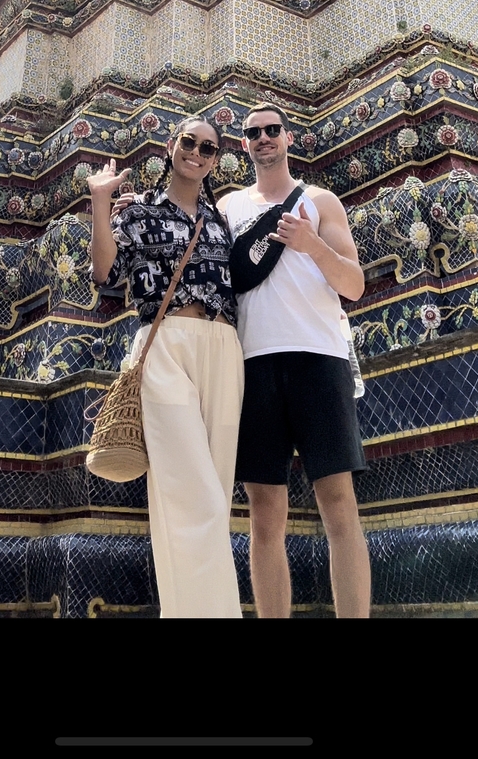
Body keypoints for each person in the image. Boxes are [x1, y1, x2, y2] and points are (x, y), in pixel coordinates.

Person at [218, 102, 371, 619]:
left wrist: (310, 246)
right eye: (253, 133)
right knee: (264, 515)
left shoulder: (322, 202)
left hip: (319, 358)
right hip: (254, 363)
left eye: (272, 130)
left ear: (288, 137)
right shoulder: (229, 208)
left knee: (338, 505)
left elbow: (353, 285)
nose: (263, 138)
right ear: (244, 144)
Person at [88, 118, 244, 619]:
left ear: (216, 159)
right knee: (189, 494)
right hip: (165, 342)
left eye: (208, 148)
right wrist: (100, 203)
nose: (196, 153)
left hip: (222, 343)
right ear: (171, 146)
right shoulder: (140, 213)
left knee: (217, 495)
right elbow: (106, 273)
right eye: (188, 143)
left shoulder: (220, 219)